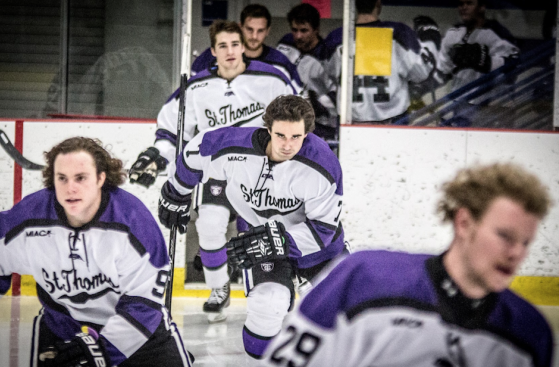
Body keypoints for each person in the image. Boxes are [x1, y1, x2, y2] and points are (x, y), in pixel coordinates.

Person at [261, 162, 553, 367]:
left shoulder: (530, 334)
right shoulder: (362, 279)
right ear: (464, 223)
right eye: (504, 236)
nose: (516, 253)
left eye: (525, 242)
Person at [0, 137, 193, 367]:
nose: (70, 188)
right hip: (63, 329)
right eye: (62, 178)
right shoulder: (27, 221)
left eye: (80, 177)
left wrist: (104, 349)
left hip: (140, 336)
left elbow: (144, 304)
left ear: (101, 178)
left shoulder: (134, 223)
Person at [129, 20, 296, 322]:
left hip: (261, 172)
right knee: (208, 225)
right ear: (213, 51)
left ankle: (270, 296)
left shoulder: (273, 79)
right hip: (216, 170)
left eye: (235, 44)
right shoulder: (196, 87)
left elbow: (297, 117)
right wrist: (155, 156)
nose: (230, 51)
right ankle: (219, 289)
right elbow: (171, 132)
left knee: (262, 236)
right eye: (223, 46)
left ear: (243, 46)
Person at [157, 95, 347, 358]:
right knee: (265, 318)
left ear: (308, 133)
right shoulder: (231, 146)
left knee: (348, 316)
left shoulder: (323, 165)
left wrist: (278, 241)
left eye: (296, 137)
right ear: (267, 128)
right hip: (260, 239)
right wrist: (177, 191)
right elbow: (194, 153)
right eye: (280, 135)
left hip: (316, 246)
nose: (288, 145)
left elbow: (323, 230)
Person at [322, 0, 439, 124]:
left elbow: (326, 78)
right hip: (393, 121)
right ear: (378, 4)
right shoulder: (398, 33)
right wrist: (429, 41)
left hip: (351, 123)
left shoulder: (336, 38)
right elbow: (421, 73)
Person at [191, 4, 302, 92]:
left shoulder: (281, 64)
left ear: (268, 31)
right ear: (240, 27)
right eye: (249, 29)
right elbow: (189, 93)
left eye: (260, 31)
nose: (254, 36)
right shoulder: (213, 57)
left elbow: (299, 100)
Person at [276, 3, 338, 140]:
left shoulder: (326, 55)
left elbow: (337, 95)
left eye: (304, 31)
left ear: (316, 30)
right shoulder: (285, 44)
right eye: (294, 30)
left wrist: (317, 103)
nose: (298, 36)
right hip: (287, 121)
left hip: (321, 127)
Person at [436, 0, 519, 92]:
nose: (464, 7)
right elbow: (443, 70)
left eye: (469, 3)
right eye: (461, 4)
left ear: (481, 7)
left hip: (492, 99)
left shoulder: (497, 31)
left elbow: (514, 62)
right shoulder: (453, 33)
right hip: (459, 98)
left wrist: (486, 61)